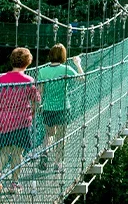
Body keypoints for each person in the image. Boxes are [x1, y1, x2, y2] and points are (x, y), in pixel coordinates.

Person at [0, 47, 40, 194]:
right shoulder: (29, 80)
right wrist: (33, 112)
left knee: (4, 151)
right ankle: (14, 184)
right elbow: (36, 102)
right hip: (22, 121)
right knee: (18, 153)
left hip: (3, 121)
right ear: (27, 62)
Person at [36, 43, 83, 171]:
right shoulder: (66, 69)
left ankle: (44, 153)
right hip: (63, 107)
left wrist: (39, 105)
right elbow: (81, 78)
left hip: (48, 107)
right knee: (61, 136)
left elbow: (40, 91)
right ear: (63, 56)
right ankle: (58, 163)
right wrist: (78, 63)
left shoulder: (42, 71)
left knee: (48, 133)